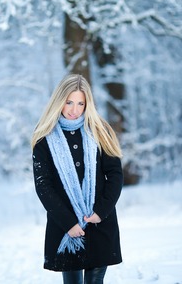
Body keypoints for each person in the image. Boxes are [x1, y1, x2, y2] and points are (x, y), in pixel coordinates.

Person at [31, 74, 124, 284]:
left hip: (100, 222)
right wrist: (68, 223)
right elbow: (43, 186)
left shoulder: (100, 131)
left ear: (87, 103)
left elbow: (115, 175)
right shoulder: (44, 138)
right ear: (59, 101)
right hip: (66, 227)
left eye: (81, 103)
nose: (74, 109)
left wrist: (101, 212)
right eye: (69, 102)